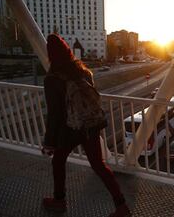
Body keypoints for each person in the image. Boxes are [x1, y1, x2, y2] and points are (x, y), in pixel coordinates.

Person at [41, 34, 131, 217]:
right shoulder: (83, 72)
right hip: (91, 125)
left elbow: (55, 114)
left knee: (58, 161)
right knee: (99, 165)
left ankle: (59, 201)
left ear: (50, 55)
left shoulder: (52, 79)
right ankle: (121, 206)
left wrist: (49, 142)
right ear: (68, 51)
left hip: (70, 128)